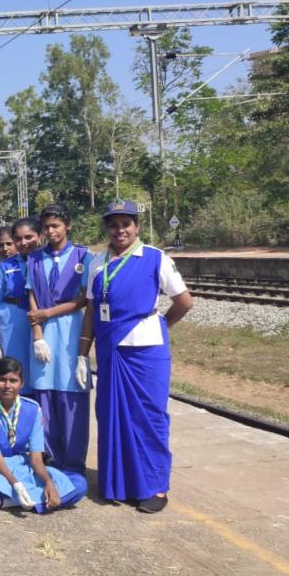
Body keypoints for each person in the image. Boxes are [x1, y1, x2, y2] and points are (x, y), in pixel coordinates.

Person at [79, 200, 193, 513]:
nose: (120, 230)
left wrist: (161, 326)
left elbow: (184, 301)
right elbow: (90, 309)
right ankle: (118, 483)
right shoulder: (97, 262)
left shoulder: (155, 258)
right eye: (113, 225)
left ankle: (154, 487)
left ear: (136, 226)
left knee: (149, 416)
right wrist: (82, 353)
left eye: (126, 223)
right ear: (107, 229)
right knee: (112, 414)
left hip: (145, 351)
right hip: (110, 348)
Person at [0, 358, 87, 514]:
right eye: (2, 380)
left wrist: (48, 482)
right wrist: (16, 485)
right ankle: (32, 500)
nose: (8, 385)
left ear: (22, 383)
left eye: (13, 380)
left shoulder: (33, 409)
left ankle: (5, 502)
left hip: (24, 466)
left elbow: (36, 459)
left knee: (79, 484)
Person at [25, 204, 91, 472]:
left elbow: (84, 299)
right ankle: (50, 460)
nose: (51, 231)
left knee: (71, 393)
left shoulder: (83, 257)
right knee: (45, 396)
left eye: (56, 226)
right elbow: (31, 295)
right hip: (42, 332)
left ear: (67, 226)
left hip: (70, 330)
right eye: (47, 227)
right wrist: (38, 335)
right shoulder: (34, 259)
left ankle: (73, 464)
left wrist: (47, 312)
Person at [0, 218, 41, 392]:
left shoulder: (42, 261)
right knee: (15, 366)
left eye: (28, 237)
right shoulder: (5, 266)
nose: (22, 243)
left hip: (40, 319)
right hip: (12, 322)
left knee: (38, 369)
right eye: (18, 238)